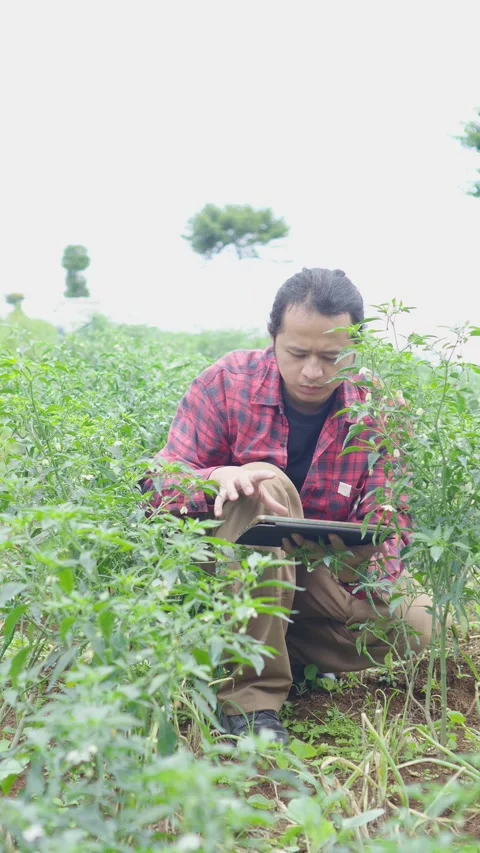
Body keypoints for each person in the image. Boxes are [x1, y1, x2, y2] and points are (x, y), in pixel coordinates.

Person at [143, 267, 432, 745]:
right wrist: (218, 477)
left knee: (417, 621)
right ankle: (250, 700)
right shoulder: (225, 382)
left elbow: (390, 514)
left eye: (332, 356)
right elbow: (158, 484)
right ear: (272, 336)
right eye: (297, 353)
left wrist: (364, 554)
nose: (313, 371)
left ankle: (270, 654)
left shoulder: (376, 406)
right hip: (226, 569)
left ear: (357, 348)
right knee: (265, 481)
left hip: (316, 568)